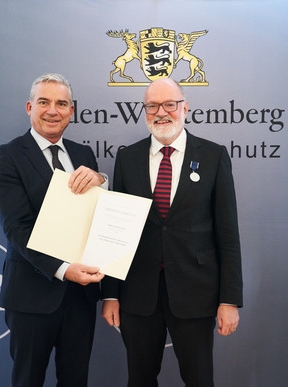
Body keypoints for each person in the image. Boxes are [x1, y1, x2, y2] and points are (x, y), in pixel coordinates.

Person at [101, 78, 243, 387]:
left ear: (185, 108)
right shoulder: (127, 159)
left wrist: (229, 300)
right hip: (138, 294)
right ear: (144, 111)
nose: (161, 112)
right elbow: (116, 231)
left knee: (199, 379)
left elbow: (228, 236)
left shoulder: (214, 157)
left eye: (169, 104)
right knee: (139, 379)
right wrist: (110, 294)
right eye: (152, 106)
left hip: (196, 294)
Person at [0, 73, 106, 387]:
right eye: (44, 102)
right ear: (30, 107)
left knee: (75, 380)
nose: (52, 110)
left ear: (71, 111)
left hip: (80, 298)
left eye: (61, 103)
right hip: (31, 295)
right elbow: (17, 228)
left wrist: (101, 180)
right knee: (28, 380)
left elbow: (97, 215)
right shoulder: (9, 155)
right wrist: (64, 269)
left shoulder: (84, 156)